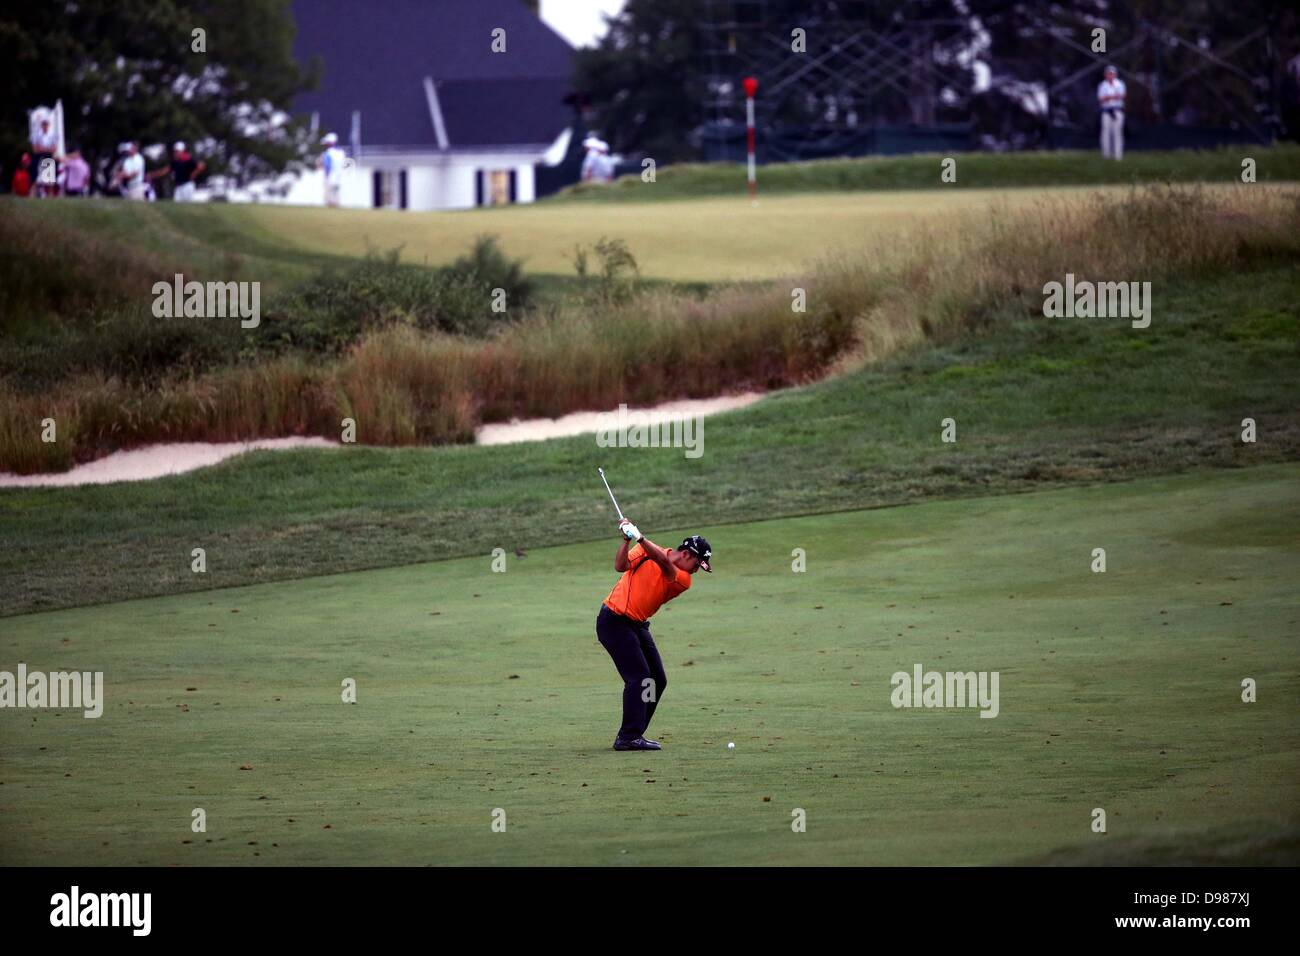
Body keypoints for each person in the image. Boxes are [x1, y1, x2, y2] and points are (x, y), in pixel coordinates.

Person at [596, 519, 712, 751]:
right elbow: (620, 567)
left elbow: (662, 562)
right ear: (687, 554)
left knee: (657, 679)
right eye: (698, 564)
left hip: (637, 625)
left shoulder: (683, 579)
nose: (697, 570)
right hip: (613, 621)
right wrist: (626, 540)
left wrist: (639, 537)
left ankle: (635, 732)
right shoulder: (642, 549)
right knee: (639, 678)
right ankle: (628, 737)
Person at [1098, 65, 1127, 160]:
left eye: (1112, 74)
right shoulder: (1102, 85)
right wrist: (1113, 96)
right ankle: (1106, 154)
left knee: (1117, 132)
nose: (1110, 76)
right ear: (1105, 75)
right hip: (1106, 111)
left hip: (1117, 110)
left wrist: (1108, 97)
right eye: (1108, 74)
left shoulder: (1120, 84)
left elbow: (1122, 96)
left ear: (1115, 75)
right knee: (1105, 133)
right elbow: (1101, 99)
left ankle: (1118, 155)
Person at [30, 115, 59, 197]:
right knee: (35, 176)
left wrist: (42, 148)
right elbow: (35, 149)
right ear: (41, 125)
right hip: (38, 157)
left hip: (47, 156)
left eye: (46, 124)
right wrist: (47, 149)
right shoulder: (36, 135)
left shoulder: (52, 135)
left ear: (48, 124)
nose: (45, 126)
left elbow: (54, 149)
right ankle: (33, 194)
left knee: (49, 177)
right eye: (43, 124)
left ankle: (50, 194)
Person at [317, 132, 346, 207]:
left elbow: (327, 166)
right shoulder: (342, 152)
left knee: (329, 202)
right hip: (339, 178)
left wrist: (326, 177)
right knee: (336, 201)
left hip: (330, 178)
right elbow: (344, 165)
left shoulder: (329, 153)